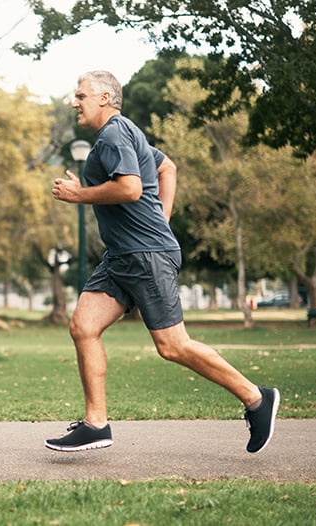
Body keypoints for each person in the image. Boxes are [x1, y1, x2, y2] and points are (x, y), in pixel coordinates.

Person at [46, 70, 279, 454]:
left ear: (105, 98)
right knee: (83, 326)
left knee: (172, 346)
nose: (75, 102)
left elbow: (131, 187)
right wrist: (161, 220)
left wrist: (80, 195)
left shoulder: (115, 133)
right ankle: (95, 425)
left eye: (81, 95)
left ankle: (257, 398)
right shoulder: (124, 134)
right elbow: (166, 167)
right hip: (123, 256)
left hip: (145, 256)